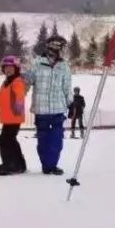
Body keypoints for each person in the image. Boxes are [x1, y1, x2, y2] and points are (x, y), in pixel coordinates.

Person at [25, 34, 71, 175]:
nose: (64, 51)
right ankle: (46, 165)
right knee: (43, 140)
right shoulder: (37, 64)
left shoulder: (64, 67)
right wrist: (18, 95)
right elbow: (27, 81)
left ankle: (52, 165)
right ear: (54, 48)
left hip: (58, 109)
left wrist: (71, 104)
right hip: (41, 110)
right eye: (62, 48)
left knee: (57, 140)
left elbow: (67, 88)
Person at [0, 56, 28, 175]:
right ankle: (19, 164)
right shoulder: (6, 83)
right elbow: (0, 96)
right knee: (10, 140)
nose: (8, 70)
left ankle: (9, 164)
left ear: (16, 69)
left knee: (5, 139)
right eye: (6, 68)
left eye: (11, 68)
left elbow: (20, 94)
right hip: (8, 118)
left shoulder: (17, 81)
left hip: (14, 116)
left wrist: (19, 105)